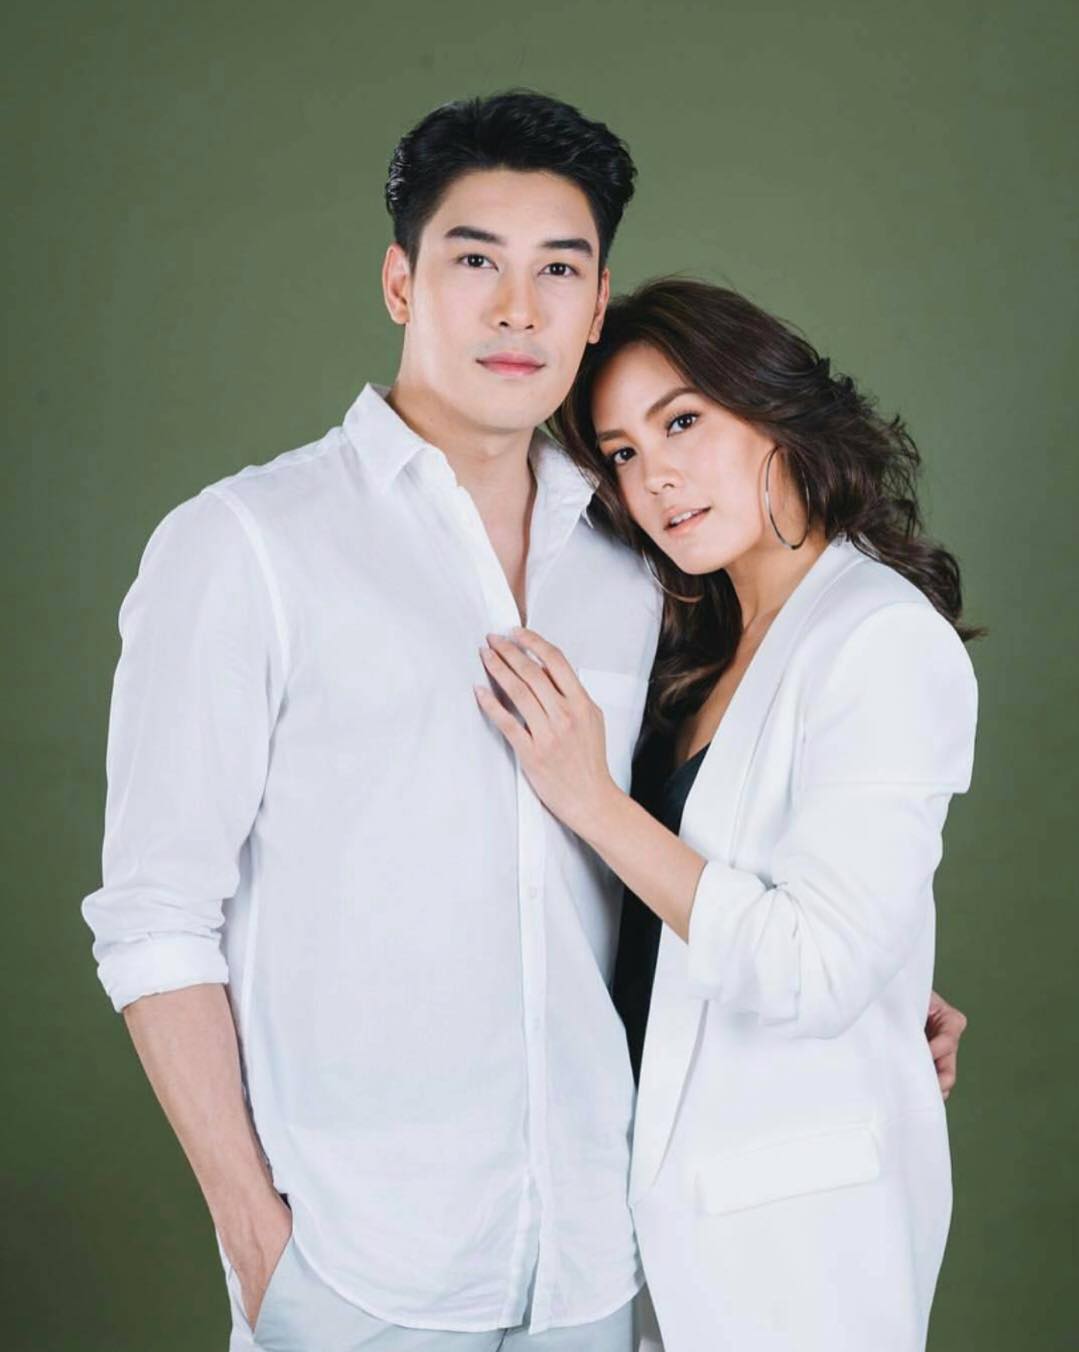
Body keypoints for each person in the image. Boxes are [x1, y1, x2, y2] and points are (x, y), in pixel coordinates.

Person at [79, 92, 968, 1352]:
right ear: (400, 282)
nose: (516, 309)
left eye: (556, 269)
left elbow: (694, 827)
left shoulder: (637, 557)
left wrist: (872, 978)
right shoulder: (246, 547)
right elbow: (154, 917)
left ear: (595, 303)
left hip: (600, 1268)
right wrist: (258, 1241)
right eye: (473, 261)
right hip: (355, 1272)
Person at [474, 278, 979, 1352]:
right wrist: (889, 974)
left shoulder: (879, 637)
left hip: (792, 1249)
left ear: (773, 410)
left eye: (682, 422)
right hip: (647, 1221)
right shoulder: (696, 640)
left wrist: (593, 801)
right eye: (620, 451)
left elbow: (813, 968)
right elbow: (770, 919)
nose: (653, 476)